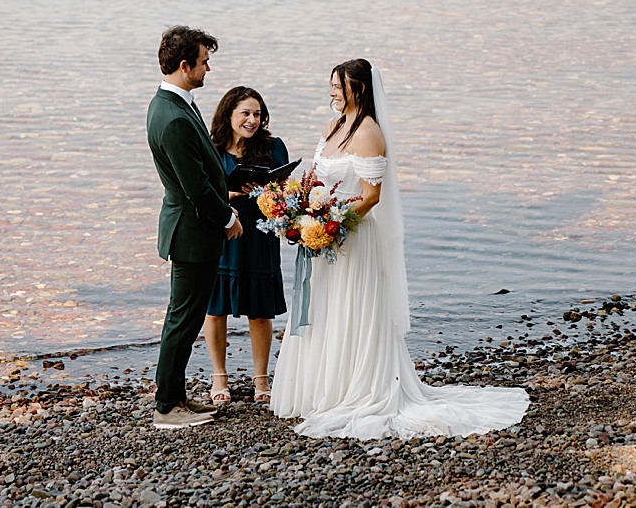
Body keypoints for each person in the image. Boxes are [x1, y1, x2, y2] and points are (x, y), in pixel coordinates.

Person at [271, 58, 529, 440]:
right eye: (331, 86)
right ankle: (320, 389)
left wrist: (329, 222)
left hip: (353, 237)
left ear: (358, 89)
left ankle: (356, 389)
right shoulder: (332, 127)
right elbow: (318, 180)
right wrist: (302, 211)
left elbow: (370, 196)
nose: (331, 93)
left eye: (338, 87)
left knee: (351, 310)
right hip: (324, 237)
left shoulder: (370, 133)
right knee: (325, 308)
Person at [146, 26, 243, 429]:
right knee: (183, 319)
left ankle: (178, 397)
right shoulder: (172, 117)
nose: (209, 68)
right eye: (204, 62)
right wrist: (228, 217)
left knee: (185, 317)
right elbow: (196, 186)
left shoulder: (176, 104)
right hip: (192, 231)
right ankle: (167, 406)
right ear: (185, 66)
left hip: (191, 228)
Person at [203, 87, 289, 405]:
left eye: (257, 114)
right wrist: (233, 195)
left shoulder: (273, 147)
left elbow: (286, 189)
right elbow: (200, 193)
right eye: (245, 113)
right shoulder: (212, 149)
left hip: (260, 234)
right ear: (229, 114)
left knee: (260, 312)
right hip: (222, 233)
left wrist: (274, 191)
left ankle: (261, 380)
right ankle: (219, 377)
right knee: (215, 309)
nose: (252, 120)